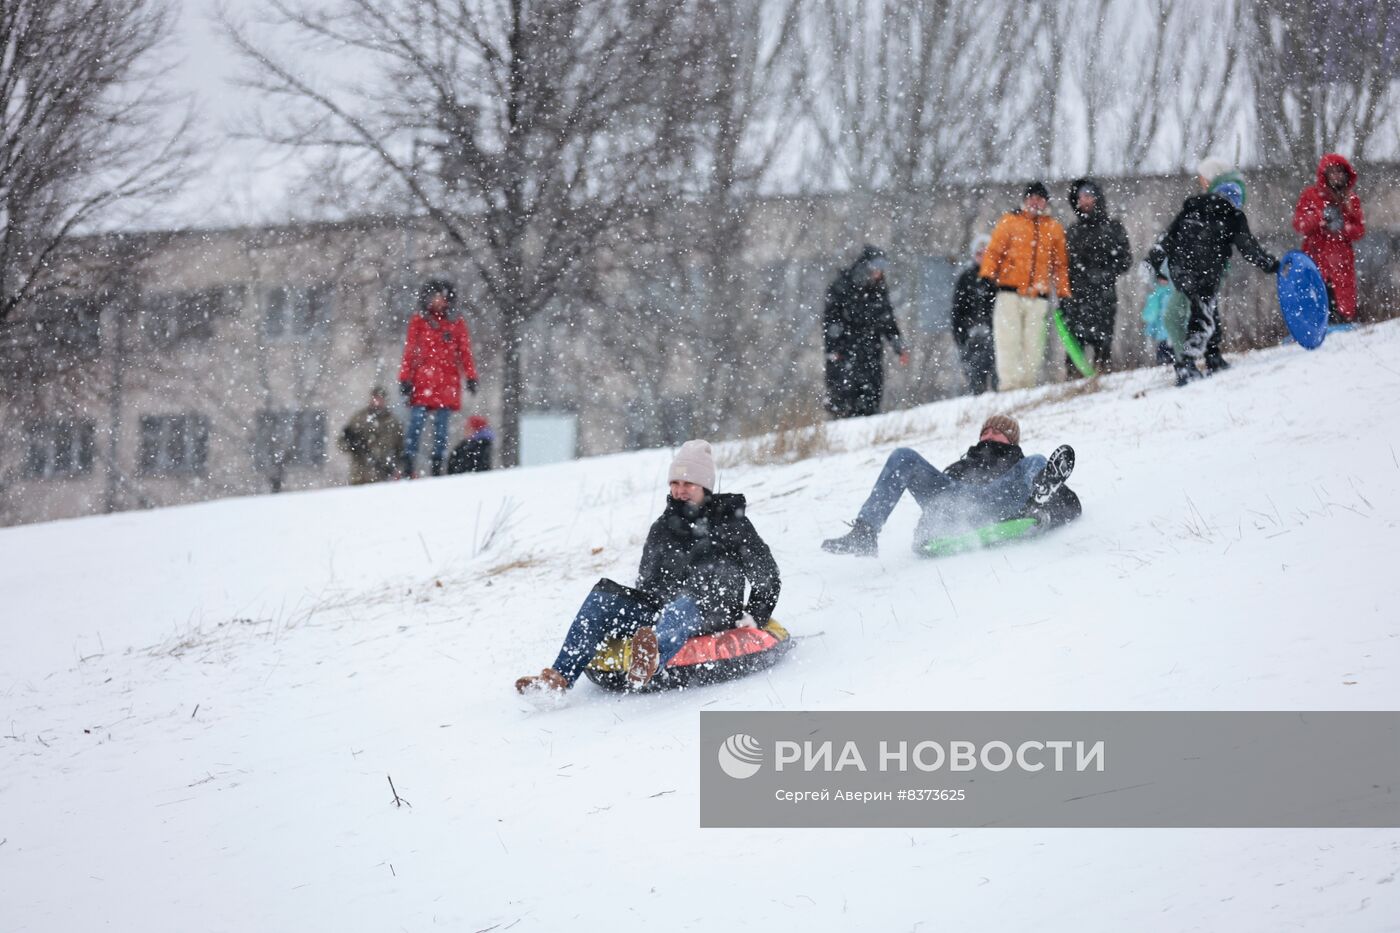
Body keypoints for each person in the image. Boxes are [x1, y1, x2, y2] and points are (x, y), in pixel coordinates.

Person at [515, 440, 781, 694]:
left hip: (713, 609)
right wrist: (651, 602)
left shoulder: (732, 525)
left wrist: (754, 616)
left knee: (683, 605)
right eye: (675, 483)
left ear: (705, 486)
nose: (680, 490)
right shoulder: (663, 527)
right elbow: (647, 582)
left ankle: (650, 663)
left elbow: (767, 576)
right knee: (602, 598)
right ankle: (559, 677)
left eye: (688, 483)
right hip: (664, 607)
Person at [820, 415, 1079, 557]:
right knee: (904, 456)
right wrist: (926, 531)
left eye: (997, 431)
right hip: (956, 505)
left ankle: (1039, 496)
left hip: (998, 500)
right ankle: (865, 533)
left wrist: (1043, 515)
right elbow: (937, 503)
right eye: (985, 431)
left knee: (1037, 461)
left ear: (1011, 439)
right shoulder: (960, 466)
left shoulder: (1021, 465)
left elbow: (1072, 505)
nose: (988, 434)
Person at [1146, 157, 1279, 386]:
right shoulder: (1230, 215)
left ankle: (1205, 357)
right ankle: (1189, 362)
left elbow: (1167, 238)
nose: (1230, 199)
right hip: (1201, 273)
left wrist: (1155, 261)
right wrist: (1270, 264)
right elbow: (1249, 248)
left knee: (1203, 314)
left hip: (1184, 271)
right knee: (1202, 317)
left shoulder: (1195, 207)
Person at [979, 182, 1072, 391]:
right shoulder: (1010, 222)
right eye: (1031, 197)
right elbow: (994, 251)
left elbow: (1060, 265)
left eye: (1040, 198)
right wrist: (987, 276)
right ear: (1025, 199)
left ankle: (1028, 385)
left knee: (1034, 344)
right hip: (1008, 292)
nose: (1035, 202)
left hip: (1038, 295)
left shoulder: (1053, 228)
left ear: (1046, 202)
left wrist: (1063, 293)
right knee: (1007, 341)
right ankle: (1009, 385)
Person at [398, 279, 478, 476]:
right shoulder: (419, 321)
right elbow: (410, 351)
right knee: (416, 424)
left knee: (441, 428)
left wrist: (471, 376)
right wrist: (405, 378)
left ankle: (437, 463)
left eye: (442, 297)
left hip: (446, 384)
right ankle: (409, 461)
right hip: (422, 382)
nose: (439, 301)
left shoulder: (456, 323)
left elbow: (464, 352)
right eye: (435, 296)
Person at [823, 245, 909, 419]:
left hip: (871, 352)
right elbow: (831, 323)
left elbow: (887, 321)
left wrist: (898, 345)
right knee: (845, 400)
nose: (879, 272)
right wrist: (834, 351)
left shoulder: (878, 290)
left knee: (871, 398)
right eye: (876, 267)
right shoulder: (841, 287)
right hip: (845, 353)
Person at [1062, 178, 1132, 376]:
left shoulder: (1113, 228)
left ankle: (1102, 383)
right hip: (1076, 298)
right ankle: (1074, 388)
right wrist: (1064, 295)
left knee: (1103, 348)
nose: (1084, 201)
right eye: (1080, 197)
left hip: (1104, 296)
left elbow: (1125, 259)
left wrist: (1104, 274)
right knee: (1075, 351)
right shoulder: (1072, 232)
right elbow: (1064, 266)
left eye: (1088, 195)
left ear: (1097, 197)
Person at [1292, 153, 1365, 324]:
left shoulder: (1351, 199)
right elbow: (1299, 224)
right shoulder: (1310, 195)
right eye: (1332, 172)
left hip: (1341, 260)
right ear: (1325, 175)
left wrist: (1343, 228)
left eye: (1340, 172)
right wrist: (1319, 220)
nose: (1337, 176)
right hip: (1315, 257)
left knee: (1343, 304)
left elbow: (1359, 230)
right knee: (1317, 301)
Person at [951, 234, 998, 394]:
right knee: (976, 377)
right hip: (972, 335)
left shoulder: (997, 277)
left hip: (994, 333)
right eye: (979, 253)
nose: (983, 257)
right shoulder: (966, 278)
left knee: (998, 375)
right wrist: (961, 336)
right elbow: (957, 311)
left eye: (986, 253)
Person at [337, 386, 405, 485]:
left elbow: (400, 450)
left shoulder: (393, 422)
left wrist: (398, 469)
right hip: (359, 477)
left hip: (383, 477)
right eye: (375, 398)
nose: (378, 401)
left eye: (381, 398)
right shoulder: (359, 418)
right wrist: (352, 444)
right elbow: (341, 443)